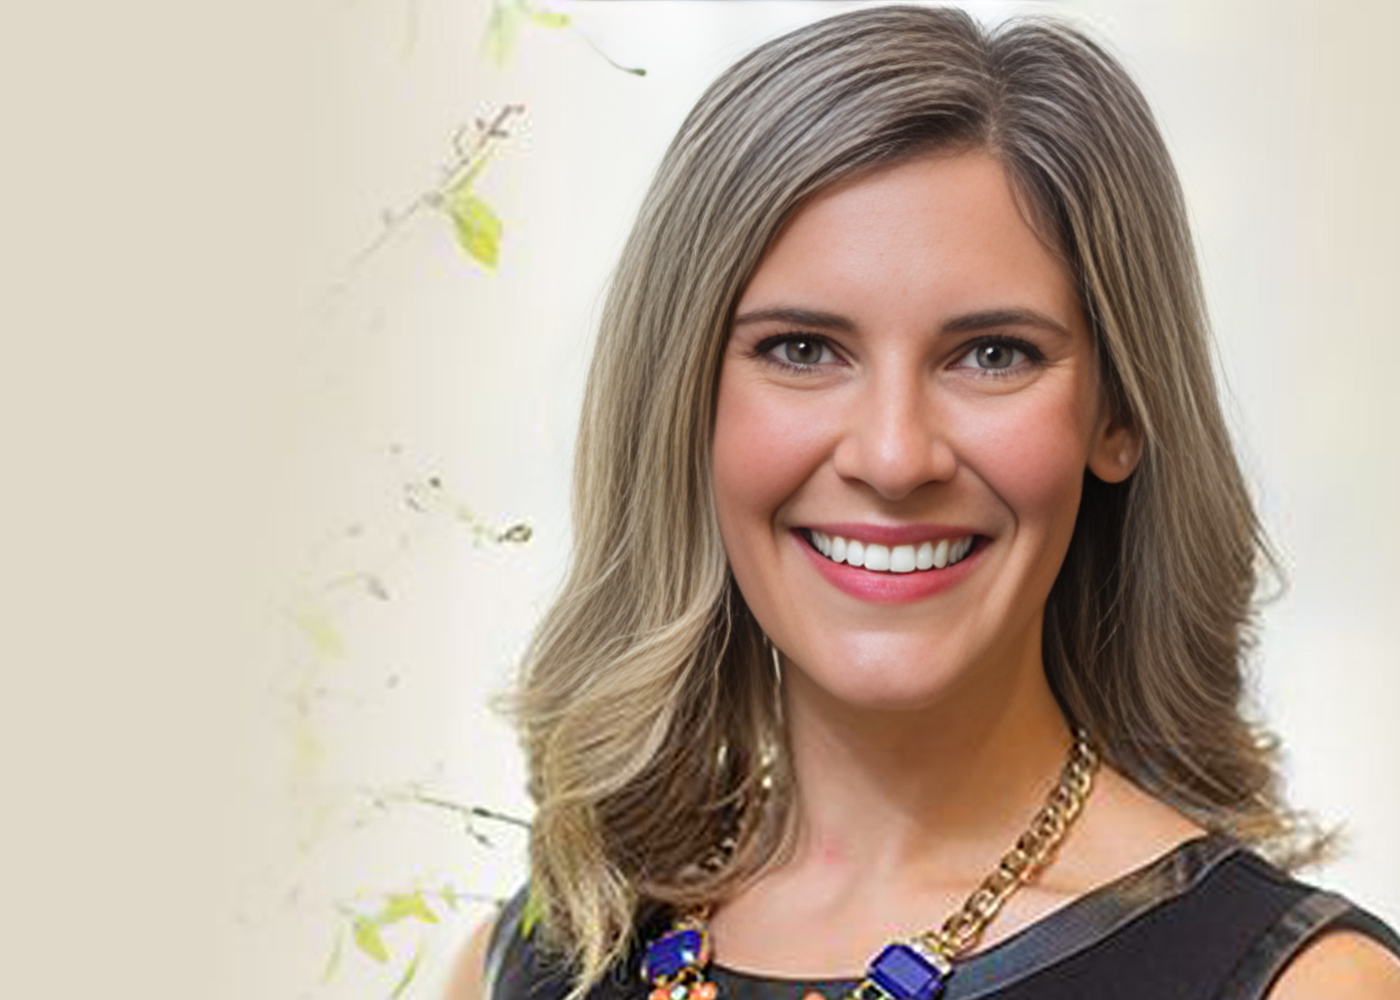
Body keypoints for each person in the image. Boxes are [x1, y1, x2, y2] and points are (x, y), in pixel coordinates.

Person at [447, 6, 1400, 1000]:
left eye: (992, 354)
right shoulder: (522, 960)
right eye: (802, 350)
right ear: (683, 403)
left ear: (1116, 411)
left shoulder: (1298, 984)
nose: (894, 456)